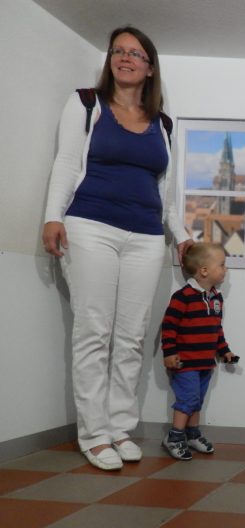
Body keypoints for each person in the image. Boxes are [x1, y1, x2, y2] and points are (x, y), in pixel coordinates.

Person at [41, 27, 192, 471]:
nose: (125, 58)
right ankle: (94, 435)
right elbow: (66, 162)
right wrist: (52, 216)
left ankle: (120, 427)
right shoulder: (86, 103)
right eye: (118, 51)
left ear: (150, 68)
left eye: (135, 53)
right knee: (94, 331)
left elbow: (166, 192)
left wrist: (181, 234)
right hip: (90, 227)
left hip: (145, 236)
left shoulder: (162, 124)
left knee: (132, 335)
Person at [160, 242, 237, 460]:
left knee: (197, 400)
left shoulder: (216, 298)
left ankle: (192, 434)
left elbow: (216, 329)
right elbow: (169, 326)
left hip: (205, 362)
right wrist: (169, 353)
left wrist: (225, 351)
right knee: (188, 398)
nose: (226, 269)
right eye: (222, 264)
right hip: (185, 362)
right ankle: (174, 436)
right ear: (204, 270)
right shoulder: (183, 296)